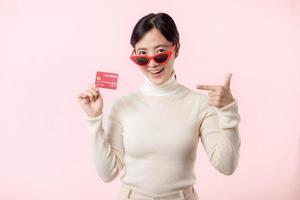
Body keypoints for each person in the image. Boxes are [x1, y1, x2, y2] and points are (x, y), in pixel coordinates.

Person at [77, 12, 241, 200]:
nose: (152, 63)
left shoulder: (200, 104)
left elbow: (227, 166)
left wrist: (228, 112)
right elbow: (108, 174)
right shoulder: (122, 106)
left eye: (161, 53)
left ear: (176, 49)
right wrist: (94, 119)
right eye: (142, 55)